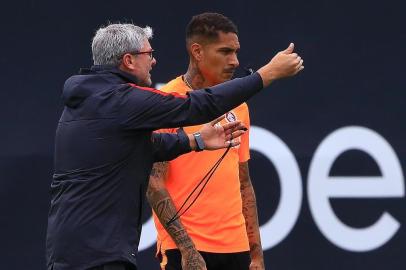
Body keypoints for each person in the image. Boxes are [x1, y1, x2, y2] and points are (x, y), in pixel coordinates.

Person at [46, 22, 303, 270]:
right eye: (149, 54)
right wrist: (266, 75)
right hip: (96, 253)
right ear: (128, 60)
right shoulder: (121, 101)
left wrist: (196, 141)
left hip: (77, 248)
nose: (154, 60)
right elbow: (196, 105)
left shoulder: (91, 99)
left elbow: (148, 145)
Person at [147, 13, 275, 270]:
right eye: (225, 52)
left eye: (236, 52)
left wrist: (256, 255)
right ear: (197, 52)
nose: (235, 61)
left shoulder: (239, 106)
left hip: (236, 248)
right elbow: (153, 183)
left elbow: (243, 183)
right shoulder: (167, 101)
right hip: (186, 250)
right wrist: (188, 249)